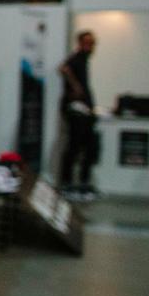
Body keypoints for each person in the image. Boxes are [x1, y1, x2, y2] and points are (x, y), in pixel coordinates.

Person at [58, 30, 98, 200]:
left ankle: (82, 182)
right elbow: (63, 68)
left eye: (93, 43)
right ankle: (66, 182)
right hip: (76, 110)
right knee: (74, 146)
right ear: (80, 43)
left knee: (89, 147)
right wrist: (75, 86)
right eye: (88, 43)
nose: (91, 46)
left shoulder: (84, 61)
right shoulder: (76, 59)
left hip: (85, 110)